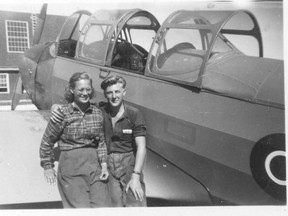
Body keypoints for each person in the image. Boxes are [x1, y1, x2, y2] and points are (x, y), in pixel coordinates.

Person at [51, 75, 147, 207]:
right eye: (109, 93)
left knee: (136, 203)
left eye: (117, 91)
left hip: (128, 164)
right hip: (107, 162)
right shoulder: (99, 110)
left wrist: (136, 176)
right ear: (105, 95)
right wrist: (55, 107)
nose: (114, 96)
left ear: (124, 92)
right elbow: (76, 106)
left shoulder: (134, 114)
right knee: (112, 207)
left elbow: (141, 147)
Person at [40, 72, 110, 208]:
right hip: (71, 168)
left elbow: (101, 142)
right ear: (72, 90)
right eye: (81, 89)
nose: (85, 93)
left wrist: (104, 165)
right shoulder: (62, 113)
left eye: (88, 89)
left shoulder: (97, 112)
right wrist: (48, 167)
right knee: (80, 208)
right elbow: (47, 142)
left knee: (102, 207)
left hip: (94, 166)